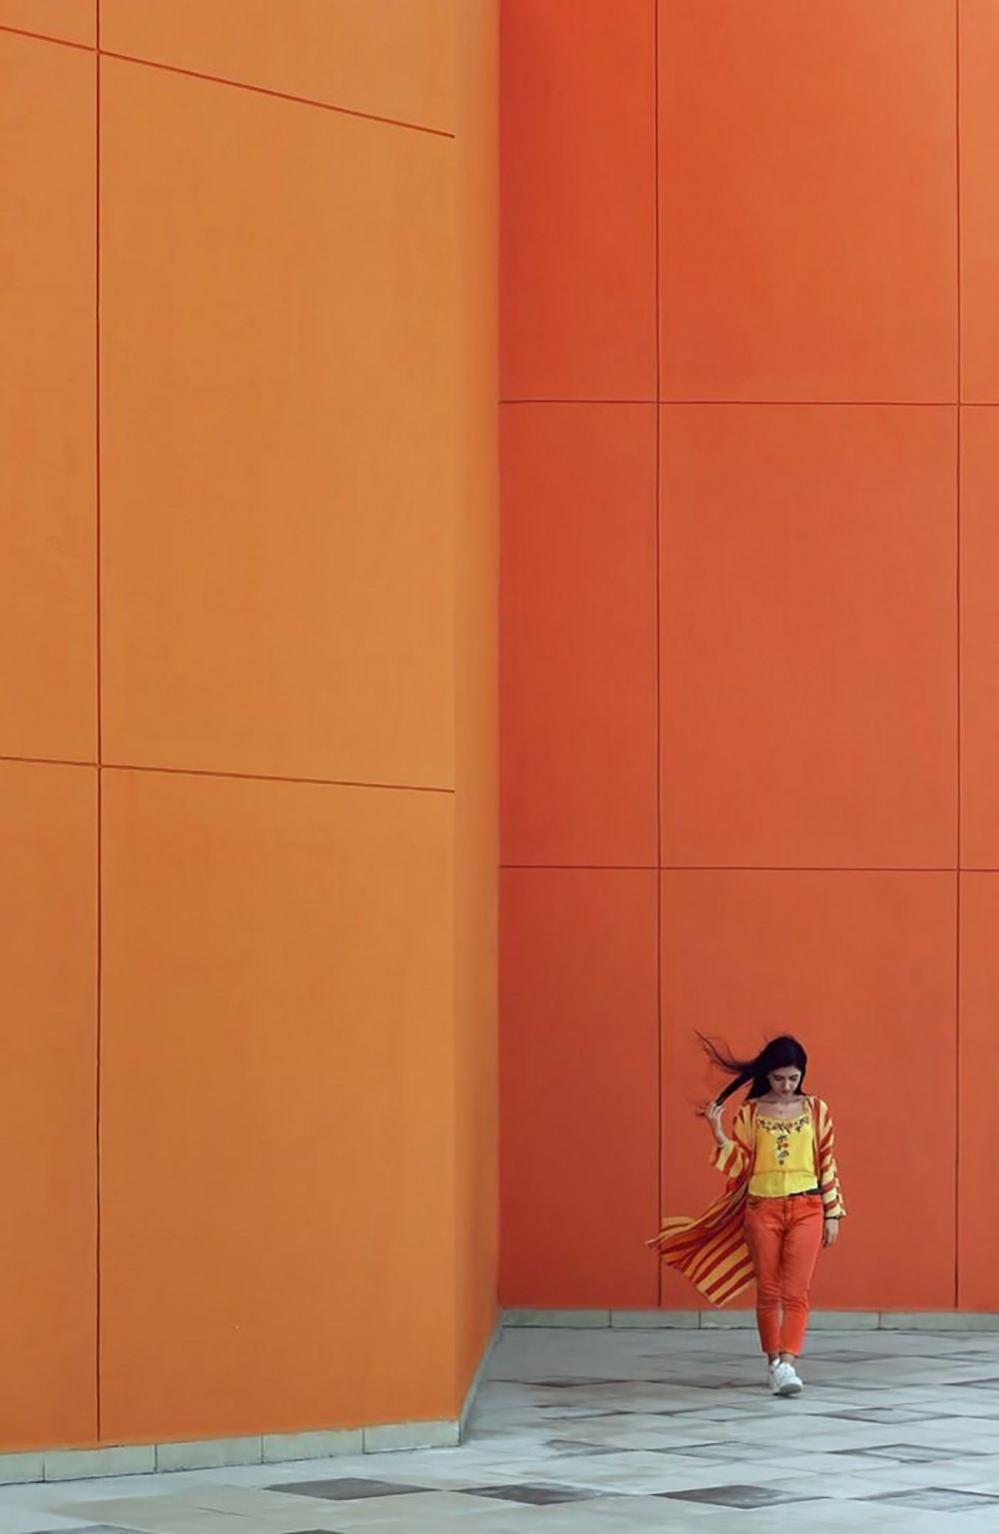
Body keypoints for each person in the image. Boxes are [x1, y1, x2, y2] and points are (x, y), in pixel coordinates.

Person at [645, 1034, 845, 1397]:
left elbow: (826, 1160)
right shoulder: (751, 1113)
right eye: (779, 1078)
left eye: (793, 1078)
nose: (786, 1086)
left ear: (802, 1075)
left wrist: (833, 1213)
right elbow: (741, 1166)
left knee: (797, 1291)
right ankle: (774, 1364)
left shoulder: (816, 1110)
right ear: (767, 1075)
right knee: (768, 1290)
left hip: (807, 1206)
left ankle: (788, 1362)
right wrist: (719, 1134)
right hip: (761, 1208)